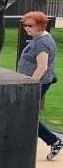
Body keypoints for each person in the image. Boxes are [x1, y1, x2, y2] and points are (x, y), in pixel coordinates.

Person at [17, 11, 61, 160]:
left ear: (41, 26)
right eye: (25, 25)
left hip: (36, 85)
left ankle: (54, 141)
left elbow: (42, 67)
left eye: (30, 25)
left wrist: (30, 85)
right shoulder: (38, 39)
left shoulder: (42, 43)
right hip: (31, 84)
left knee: (26, 115)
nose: (27, 28)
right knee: (25, 115)